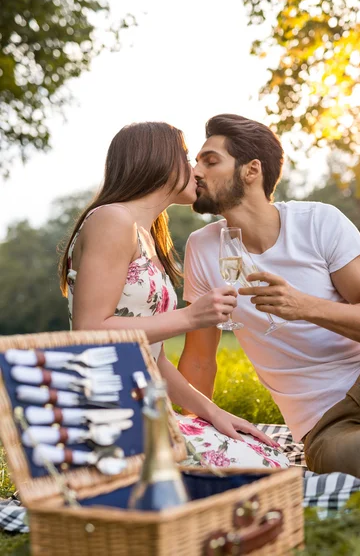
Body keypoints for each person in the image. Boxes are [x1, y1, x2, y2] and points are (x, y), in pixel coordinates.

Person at [178, 113, 360, 483]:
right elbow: (200, 360)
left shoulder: (318, 222)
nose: (195, 171)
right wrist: (193, 437)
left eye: (210, 160)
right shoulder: (202, 249)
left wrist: (305, 307)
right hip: (327, 424)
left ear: (251, 171)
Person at [59, 121, 289, 470]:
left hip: (144, 406)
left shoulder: (146, 237)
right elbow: (90, 330)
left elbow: (155, 359)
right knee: (259, 469)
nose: (195, 169)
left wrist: (213, 412)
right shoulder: (112, 219)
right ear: (160, 161)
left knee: (267, 454)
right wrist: (191, 318)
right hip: (108, 412)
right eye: (185, 155)